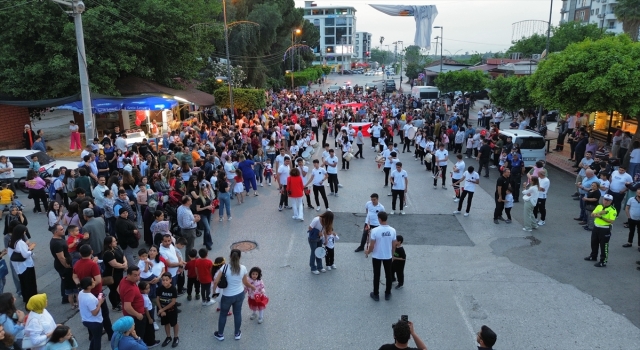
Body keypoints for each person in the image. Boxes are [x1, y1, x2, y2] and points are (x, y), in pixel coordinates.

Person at [212, 249, 256, 342]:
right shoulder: (243, 268)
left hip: (227, 296)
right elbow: (245, 282)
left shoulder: (224, 267)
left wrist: (214, 292)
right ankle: (237, 334)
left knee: (223, 314)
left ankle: (220, 334)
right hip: (239, 294)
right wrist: (252, 286)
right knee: (237, 313)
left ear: (230, 256)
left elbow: (216, 281)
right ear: (240, 257)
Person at [72, 245, 113, 340]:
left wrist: (81, 286)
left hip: (85, 292)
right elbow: (98, 280)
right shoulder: (93, 265)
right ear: (92, 252)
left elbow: (74, 277)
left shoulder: (77, 264)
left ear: (80, 253)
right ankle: (110, 334)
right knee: (104, 314)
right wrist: (92, 285)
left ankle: (91, 335)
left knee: (89, 315)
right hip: (97, 292)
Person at [365, 211, 397, 301]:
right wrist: (393, 255)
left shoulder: (375, 231)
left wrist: (368, 252)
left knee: (376, 275)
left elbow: (372, 245)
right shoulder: (393, 230)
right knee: (389, 275)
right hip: (388, 256)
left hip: (377, 256)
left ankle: (376, 294)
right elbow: (394, 245)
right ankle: (387, 293)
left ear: (379, 219)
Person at [585, 194, 617, 267]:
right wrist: (599, 213)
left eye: (608, 200)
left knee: (604, 246)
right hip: (596, 227)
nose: (606, 201)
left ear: (611, 201)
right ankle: (593, 256)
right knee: (594, 242)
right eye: (605, 199)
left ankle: (603, 261)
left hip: (604, 229)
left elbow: (611, 221)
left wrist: (601, 217)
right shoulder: (599, 206)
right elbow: (592, 215)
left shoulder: (612, 209)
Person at [8, 224, 37, 303]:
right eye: (24, 231)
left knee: (24, 284)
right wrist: (30, 249)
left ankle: (26, 298)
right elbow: (25, 254)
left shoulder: (12, 241)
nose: (25, 233)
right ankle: (32, 300)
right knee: (30, 284)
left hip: (19, 267)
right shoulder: (20, 242)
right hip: (26, 266)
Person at [49, 224, 75, 308]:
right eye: (61, 229)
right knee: (66, 281)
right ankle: (66, 297)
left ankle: (67, 296)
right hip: (62, 266)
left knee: (66, 281)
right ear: (55, 232)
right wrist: (67, 266)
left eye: (63, 229)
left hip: (64, 264)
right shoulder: (56, 243)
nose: (63, 230)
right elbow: (61, 257)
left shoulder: (60, 239)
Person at [118, 266, 147, 342]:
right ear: (128, 275)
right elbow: (127, 307)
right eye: (135, 275)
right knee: (138, 336)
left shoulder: (124, 280)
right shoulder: (130, 289)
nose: (138, 278)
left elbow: (118, 289)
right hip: (135, 317)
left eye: (139, 274)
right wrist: (138, 315)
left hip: (131, 315)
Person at [78, 276, 103, 350]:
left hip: (86, 319)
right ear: (89, 286)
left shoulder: (81, 293)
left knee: (95, 337)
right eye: (93, 282)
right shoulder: (90, 298)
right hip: (95, 321)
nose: (95, 282)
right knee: (97, 340)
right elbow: (94, 313)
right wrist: (100, 303)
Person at [102, 236, 127, 312]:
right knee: (114, 289)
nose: (116, 242)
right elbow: (114, 264)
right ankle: (114, 304)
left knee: (119, 287)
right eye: (114, 241)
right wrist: (123, 266)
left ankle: (119, 301)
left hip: (119, 272)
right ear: (109, 244)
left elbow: (123, 256)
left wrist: (125, 263)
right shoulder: (108, 253)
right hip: (112, 274)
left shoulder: (116, 248)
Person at [156, 272, 179, 348]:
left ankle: (176, 337)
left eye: (166, 280)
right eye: (163, 280)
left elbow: (173, 302)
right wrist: (161, 309)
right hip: (163, 310)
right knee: (166, 323)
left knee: (174, 323)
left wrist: (162, 310)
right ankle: (168, 337)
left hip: (171, 310)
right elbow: (157, 300)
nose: (165, 282)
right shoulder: (160, 288)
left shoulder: (173, 289)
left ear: (170, 280)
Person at [176, 196, 200, 261]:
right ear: (187, 202)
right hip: (189, 231)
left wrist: (192, 216)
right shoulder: (185, 212)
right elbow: (186, 224)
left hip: (184, 230)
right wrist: (195, 220)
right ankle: (189, 260)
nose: (191, 200)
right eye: (190, 200)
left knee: (189, 245)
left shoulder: (181, 207)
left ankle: (191, 257)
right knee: (189, 246)